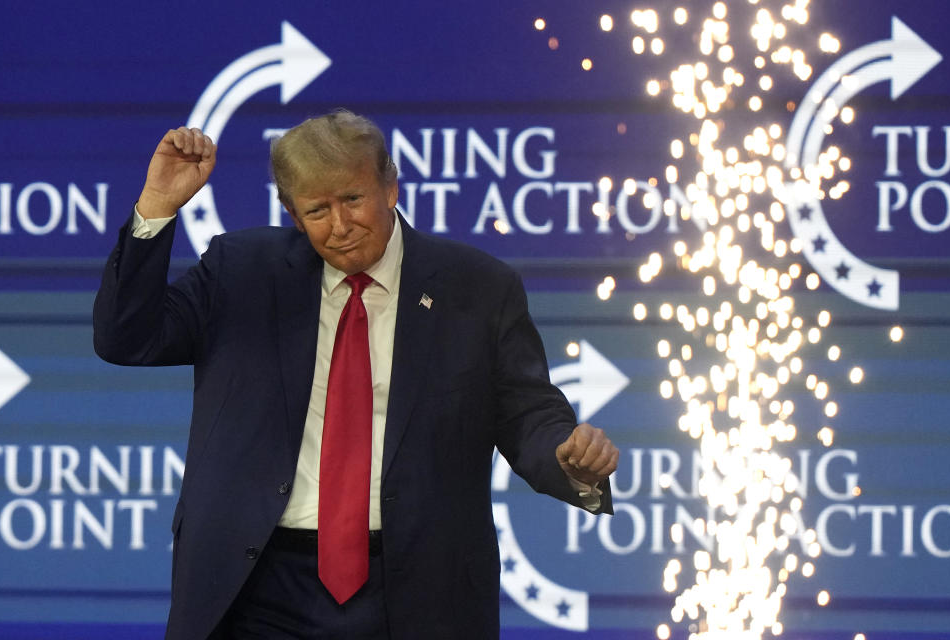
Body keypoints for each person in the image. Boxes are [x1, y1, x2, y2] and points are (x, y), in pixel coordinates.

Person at [94, 111, 619, 640]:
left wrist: (567, 457)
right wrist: (157, 206)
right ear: (293, 215)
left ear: (390, 188)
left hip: (418, 588)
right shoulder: (243, 270)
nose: (340, 226)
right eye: (317, 210)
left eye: (352, 200)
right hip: (254, 584)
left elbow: (526, 412)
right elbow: (127, 338)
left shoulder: (477, 288)